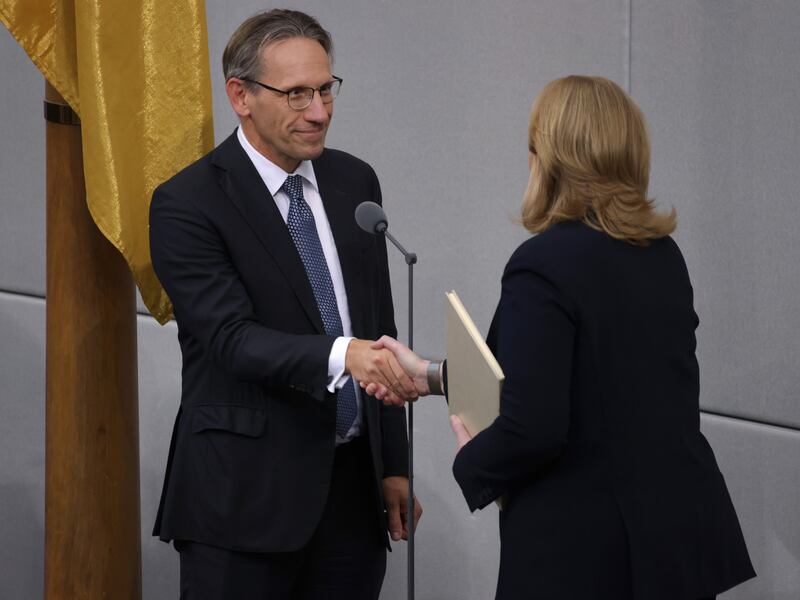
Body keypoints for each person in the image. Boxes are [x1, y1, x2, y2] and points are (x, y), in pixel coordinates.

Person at [365, 76, 756, 599]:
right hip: (673, 543)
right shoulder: (661, 254)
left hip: (586, 553)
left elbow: (535, 427)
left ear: (546, 158)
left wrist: (473, 458)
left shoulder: (543, 264)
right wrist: (432, 374)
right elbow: (592, 377)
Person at [149, 9, 421, 600]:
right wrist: (341, 354)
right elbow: (230, 339)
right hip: (243, 503)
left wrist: (392, 463)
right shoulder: (188, 203)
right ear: (240, 96)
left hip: (352, 494)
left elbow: (378, 329)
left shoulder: (355, 182)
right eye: (297, 94)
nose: (319, 112)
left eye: (325, 90)